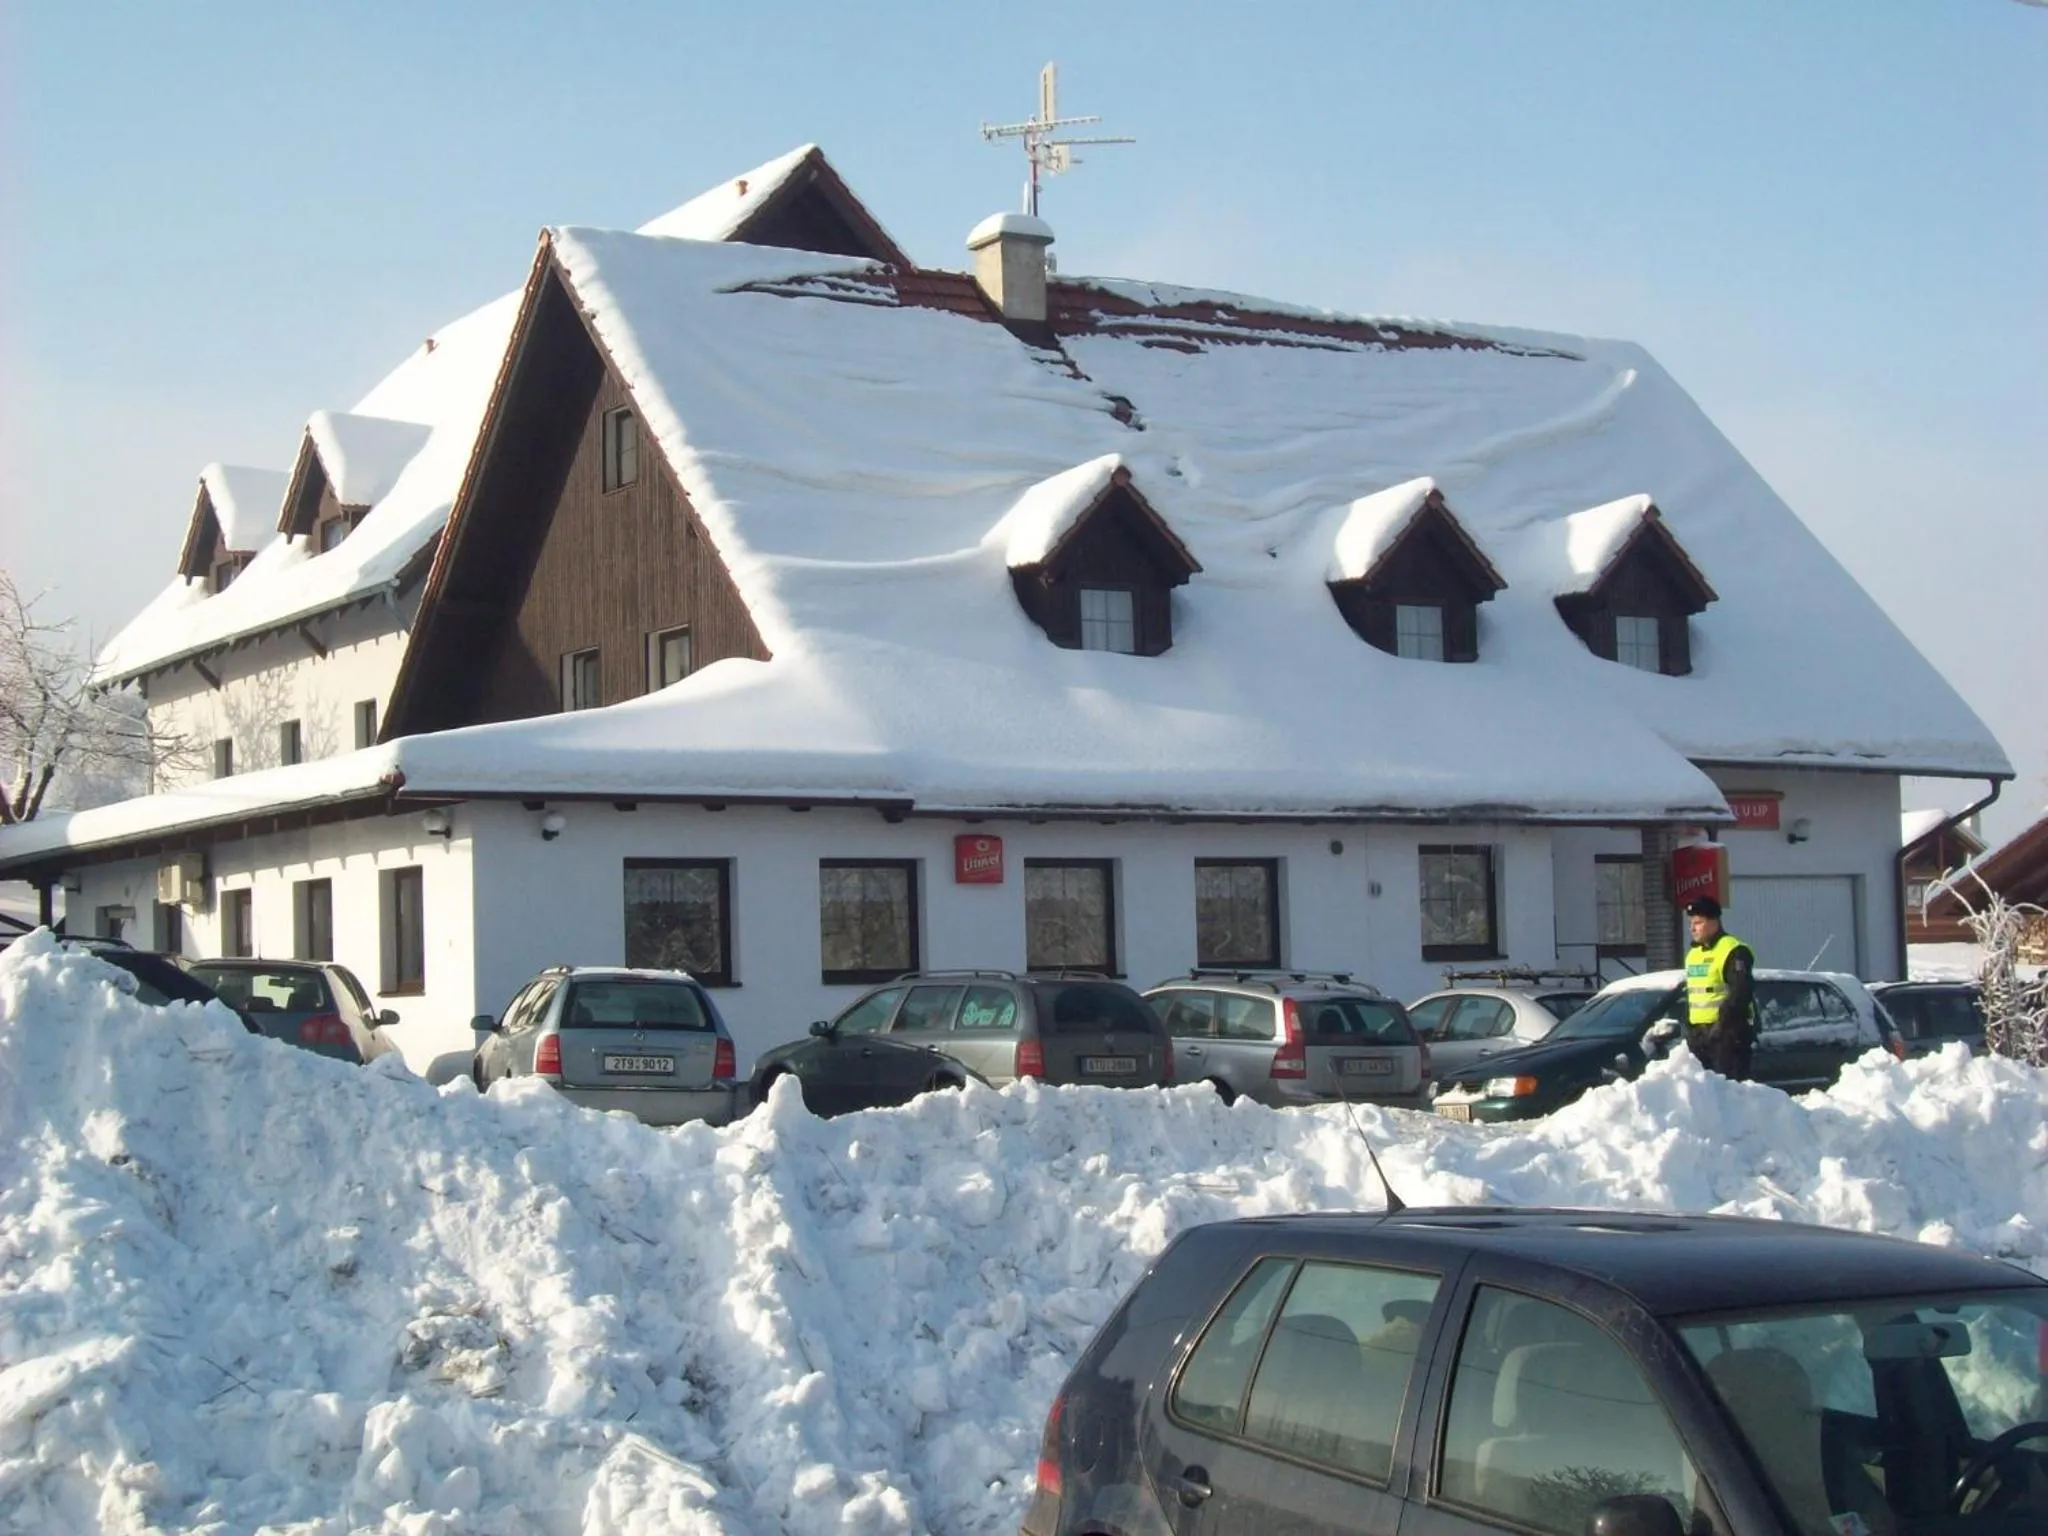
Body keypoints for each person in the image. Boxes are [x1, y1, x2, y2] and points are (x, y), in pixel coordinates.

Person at [1683, 896, 1756, 1081]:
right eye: (1691, 923)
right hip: (1698, 1036)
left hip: (1727, 1035)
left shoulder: (1733, 950)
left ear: (1714, 921)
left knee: (1728, 1095)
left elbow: (1741, 991)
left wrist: (1722, 1025)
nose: (1692, 928)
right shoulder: (1693, 954)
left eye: (1698, 922)